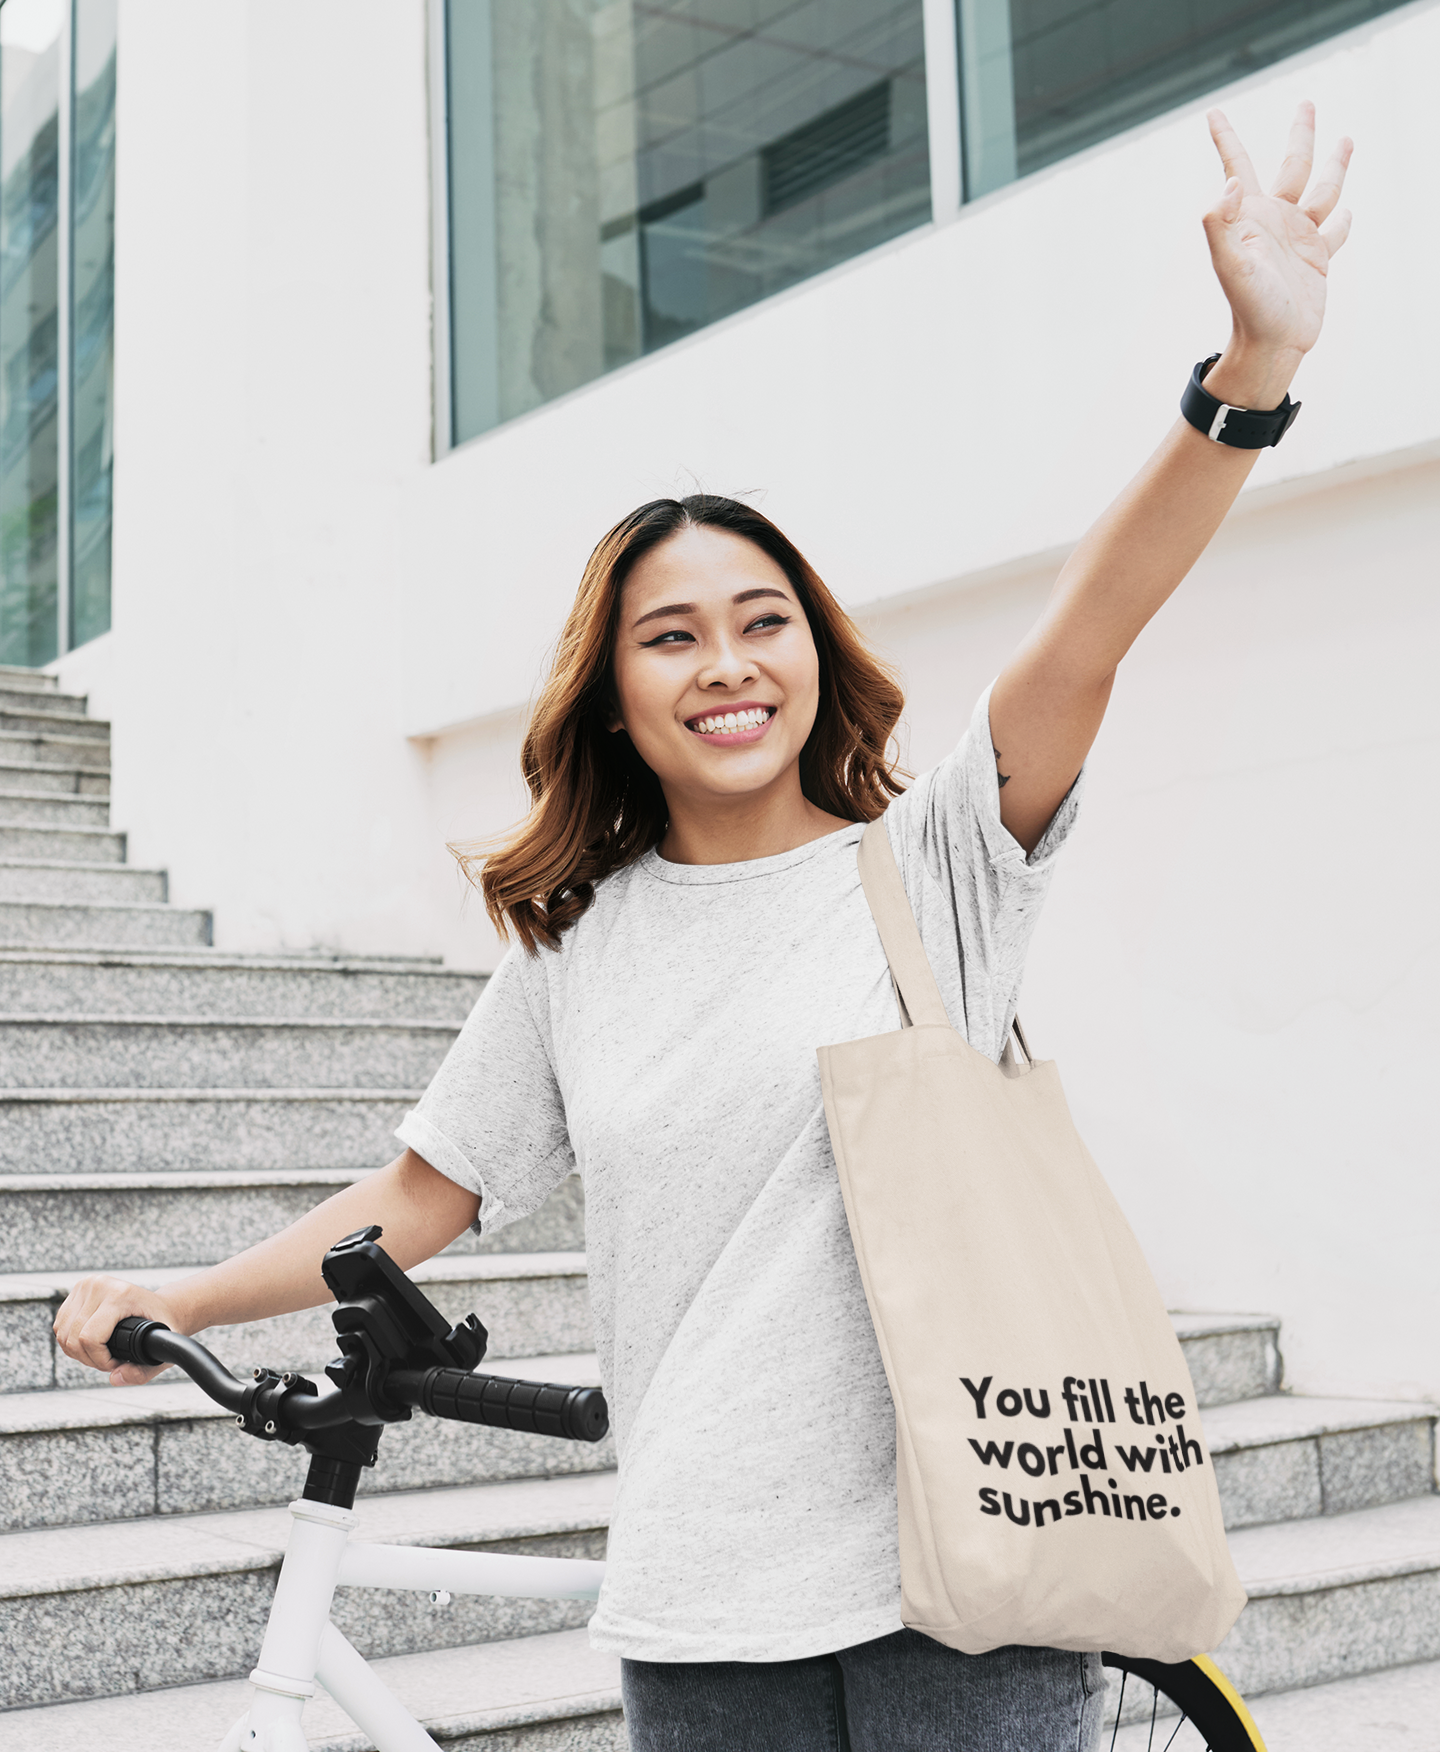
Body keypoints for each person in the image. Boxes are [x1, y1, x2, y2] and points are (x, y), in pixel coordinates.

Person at [56, 107, 1351, 1750]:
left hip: (960, 1580)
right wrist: (176, 1289)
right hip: (699, 1602)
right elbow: (413, 1199)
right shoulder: (579, 948)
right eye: (672, 637)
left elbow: (1086, 637)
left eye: (763, 622)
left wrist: (1246, 371)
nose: (727, 663)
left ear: (815, 654)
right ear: (614, 694)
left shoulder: (934, 865)